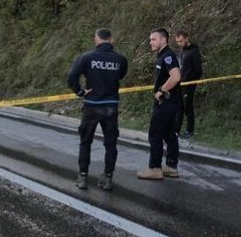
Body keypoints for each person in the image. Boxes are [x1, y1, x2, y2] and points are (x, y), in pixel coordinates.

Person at [67, 28, 128, 191]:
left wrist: (81, 92)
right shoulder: (120, 59)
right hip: (111, 106)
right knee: (111, 144)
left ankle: (83, 177)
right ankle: (107, 178)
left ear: (96, 40)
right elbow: (120, 75)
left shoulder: (87, 58)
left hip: (92, 106)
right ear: (111, 40)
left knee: (85, 142)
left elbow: (72, 77)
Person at [137, 28, 182, 180]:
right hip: (172, 102)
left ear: (164, 40)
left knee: (155, 134)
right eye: (150, 39)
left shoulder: (168, 56)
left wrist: (161, 90)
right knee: (169, 134)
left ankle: (155, 168)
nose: (150, 42)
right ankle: (171, 167)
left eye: (153, 39)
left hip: (166, 101)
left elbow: (175, 77)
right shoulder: (163, 55)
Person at [175, 30, 202, 140]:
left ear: (186, 38)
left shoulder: (194, 51)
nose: (179, 43)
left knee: (188, 107)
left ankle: (190, 130)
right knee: (179, 108)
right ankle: (176, 130)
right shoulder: (182, 51)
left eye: (181, 41)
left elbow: (198, 69)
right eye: (177, 42)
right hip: (180, 84)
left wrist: (192, 82)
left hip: (189, 85)